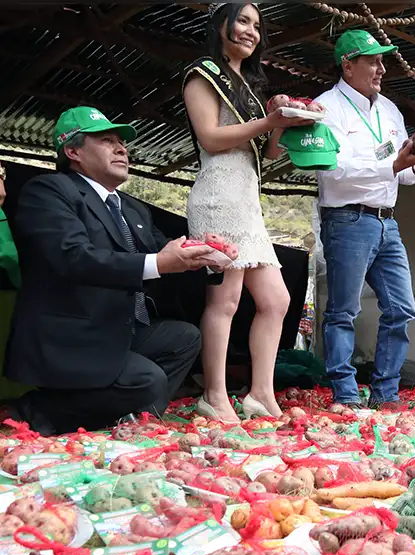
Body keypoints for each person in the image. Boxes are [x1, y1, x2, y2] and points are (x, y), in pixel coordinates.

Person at [4, 106, 225, 434]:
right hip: (70, 336)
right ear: (73, 152)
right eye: (107, 141)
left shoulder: (131, 208)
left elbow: (164, 253)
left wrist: (207, 257)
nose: (122, 149)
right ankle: (33, 411)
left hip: (116, 329)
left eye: (121, 143)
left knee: (184, 338)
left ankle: (129, 421)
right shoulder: (49, 191)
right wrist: (159, 262)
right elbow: (73, 257)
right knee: (147, 381)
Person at [182, 3, 315, 422]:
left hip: (246, 202)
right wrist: (268, 121)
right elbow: (210, 137)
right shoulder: (202, 74)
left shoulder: (248, 88)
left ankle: (260, 393)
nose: (250, 31)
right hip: (218, 197)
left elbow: (269, 153)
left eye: (257, 25)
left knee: (277, 300)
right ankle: (214, 396)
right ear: (220, 25)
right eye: (242, 21)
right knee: (225, 300)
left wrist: (281, 121)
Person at [312, 29, 415, 410]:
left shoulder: (389, 111)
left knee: (402, 307)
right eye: (373, 61)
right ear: (348, 65)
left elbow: (401, 172)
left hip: (387, 221)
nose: (382, 69)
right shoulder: (325, 108)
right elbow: (334, 170)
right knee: (343, 311)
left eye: (383, 61)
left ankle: (385, 393)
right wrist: (395, 164)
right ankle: (346, 395)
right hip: (346, 220)